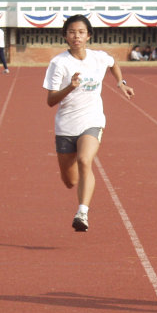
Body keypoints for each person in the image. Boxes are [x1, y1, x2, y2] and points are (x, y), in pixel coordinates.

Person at [43, 14, 134, 232]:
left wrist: (121, 83)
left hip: (92, 119)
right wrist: (70, 87)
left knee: (85, 160)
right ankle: (74, 181)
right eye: (72, 32)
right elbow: (50, 100)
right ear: (65, 35)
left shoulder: (98, 58)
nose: (77, 36)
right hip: (66, 126)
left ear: (89, 35)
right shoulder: (59, 63)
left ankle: (82, 212)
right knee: (70, 180)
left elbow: (113, 63)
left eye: (81, 32)